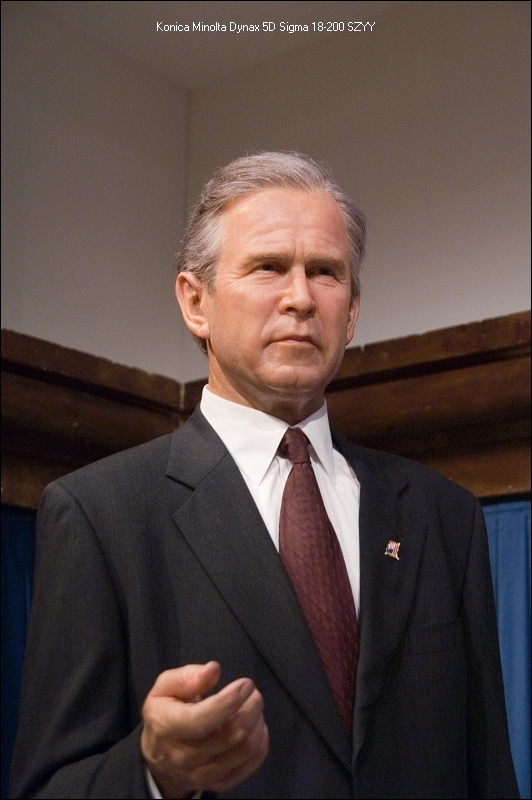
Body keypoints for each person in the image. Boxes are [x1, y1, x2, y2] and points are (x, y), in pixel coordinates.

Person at [10, 152, 519, 799]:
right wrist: (153, 771)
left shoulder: (442, 516)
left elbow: (487, 772)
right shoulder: (100, 514)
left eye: (326, 273)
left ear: (352, 311)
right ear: (196, 302)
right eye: (268, 267)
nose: (301, 298)